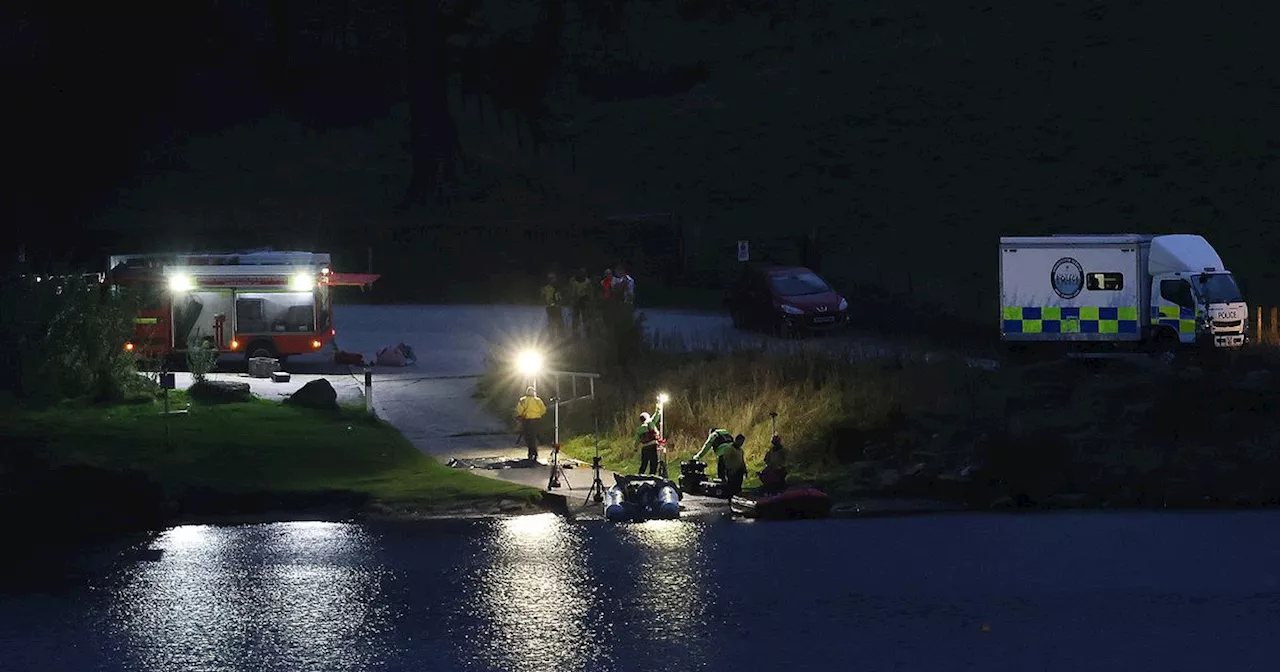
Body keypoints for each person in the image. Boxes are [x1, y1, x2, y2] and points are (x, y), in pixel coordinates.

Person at [514, 386, 546, 461]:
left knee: (528, 437)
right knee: (533, 436)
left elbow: (519, 410)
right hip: (537, 420)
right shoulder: (538, 400)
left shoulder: (523, 400)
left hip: (527, 420)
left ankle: (531, 452)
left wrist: (519, 416)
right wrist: (538, 414)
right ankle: (535, 449)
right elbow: (543, 410)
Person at [568, 268, 592, 337]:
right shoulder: (573, 281)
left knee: (585, 317)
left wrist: (588, 299)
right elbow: (571, 291)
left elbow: (590, 292)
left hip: (584, 301)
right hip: (576, 301)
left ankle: (588, 332)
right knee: (576, 319)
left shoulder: (587, 281)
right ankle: (575, 333)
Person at [541, 272, 563, 338]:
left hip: (555, 307)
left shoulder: (556, 288)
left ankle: (558, 336)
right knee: (553, 322)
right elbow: (543, 297)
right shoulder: (546, 288)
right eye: (552, 279)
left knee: (558, 322)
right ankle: (553, 336)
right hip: (551, 308)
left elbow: (559, 298)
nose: (553, 280)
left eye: (554, 279)